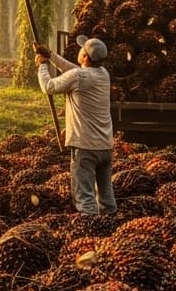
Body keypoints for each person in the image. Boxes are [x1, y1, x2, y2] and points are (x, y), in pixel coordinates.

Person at [36, 38, 116, 215]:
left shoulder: (79, 77)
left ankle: (91, 227)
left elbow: (49, 86)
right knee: (106, 195)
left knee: (85, 197)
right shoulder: (103, 74)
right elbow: (76, 71)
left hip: (85, 146)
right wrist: (51, 56)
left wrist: (42, 65)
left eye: (82, 50)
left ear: (85, 56)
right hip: (105, 146)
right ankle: (110, 221)